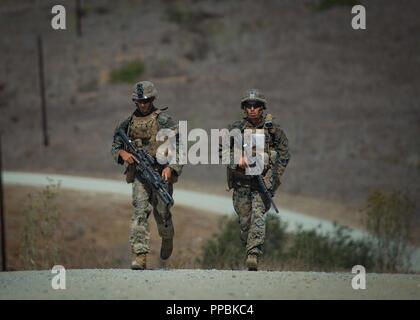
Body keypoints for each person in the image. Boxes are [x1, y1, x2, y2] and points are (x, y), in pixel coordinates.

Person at [111, 81, 182, 270]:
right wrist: (123, 154)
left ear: (153, 99)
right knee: (139, 213)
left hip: (160, 174)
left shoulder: (164, 121)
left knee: (162, 214)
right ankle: (140, 255)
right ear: (135, 102)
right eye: (139, 101)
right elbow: (116, 146)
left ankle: (167, 237)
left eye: (147, 101)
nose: (143, 104)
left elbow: (179, 148)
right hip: (140, 176)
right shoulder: (127, 123)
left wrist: (171, 168)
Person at [224, 89, 290, 271]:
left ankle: (253, 254)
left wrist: (274, 177)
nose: (252, 109)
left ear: (262, 108)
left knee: (258, 215)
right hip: (241, 182)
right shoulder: (235, 129)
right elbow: (221, 151)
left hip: (262, 183)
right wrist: (236, 160)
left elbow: (284, 154)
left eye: (256, 106)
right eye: (248, 106)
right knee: (245, 221)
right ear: (244, 108)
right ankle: (249, 245)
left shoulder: (273, 131)